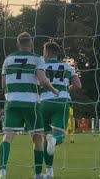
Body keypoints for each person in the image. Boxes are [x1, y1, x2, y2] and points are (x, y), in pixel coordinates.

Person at [0, 32, 59, 179]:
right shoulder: (37, 58)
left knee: (7, 137)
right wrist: (54, 90)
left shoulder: (8, 59)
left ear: (17, 44)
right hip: (31, 103)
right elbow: (43, 80)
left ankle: (2, 172)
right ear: (31, 44)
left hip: (12, 102)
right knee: (37, 139)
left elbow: (3, 84)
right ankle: (38, 174)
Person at [40, 41, 81, 178]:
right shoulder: (66, 66)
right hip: (61, 102)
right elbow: (77, 85)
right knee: (59, 136)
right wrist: (66, 89)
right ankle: (55, 141)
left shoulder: (40, 66)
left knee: (46, 137)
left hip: (43, 102)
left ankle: (49, 172)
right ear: (57, 54)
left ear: (46, 52)